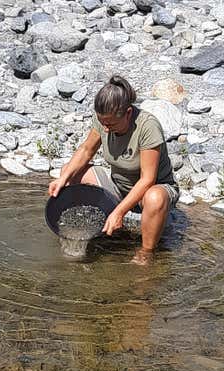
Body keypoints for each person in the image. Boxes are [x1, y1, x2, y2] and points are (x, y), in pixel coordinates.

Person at [48, 75, 179, 265]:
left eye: (110, 124)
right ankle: (88, 232)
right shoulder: (104, 120)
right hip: (119, 187)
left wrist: (119, 212)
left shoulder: (147, 126)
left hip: (150, 193)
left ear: (128, 113)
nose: (106, 129)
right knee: (70, 171)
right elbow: (86, 150)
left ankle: (146, 252)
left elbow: (147, 179)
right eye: (102, 123)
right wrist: (63, 178)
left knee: (154, 197)